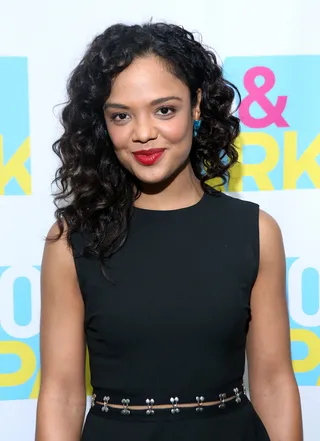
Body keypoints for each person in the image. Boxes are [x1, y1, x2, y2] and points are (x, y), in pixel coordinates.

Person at [35, 21, 303, 441]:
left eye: (164, 109)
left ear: (196, 106)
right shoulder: (72, 240)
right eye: (121, 115)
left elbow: (272, 383)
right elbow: (61, 394)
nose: (143, 133)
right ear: (103, 124)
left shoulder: (256, 231)